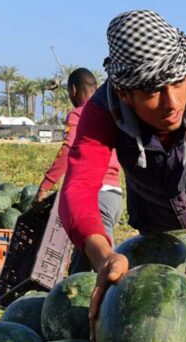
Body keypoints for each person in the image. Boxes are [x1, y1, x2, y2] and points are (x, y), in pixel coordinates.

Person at [58, 10, 186, 338]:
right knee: (162, 335)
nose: (171, 103)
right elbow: (78, 187)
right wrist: (102, 255)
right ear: (124, 93)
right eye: (152, 92)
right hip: (156, 235)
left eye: (178, 83)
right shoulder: (101, 112)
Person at [35, 68, 122, 274]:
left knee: (103, 265)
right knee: (85, 262)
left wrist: (45, 185)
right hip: (114, 195)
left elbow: (68, 149)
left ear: (73, 90)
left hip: (96, 197)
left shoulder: (80, 114)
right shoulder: (110, 114)